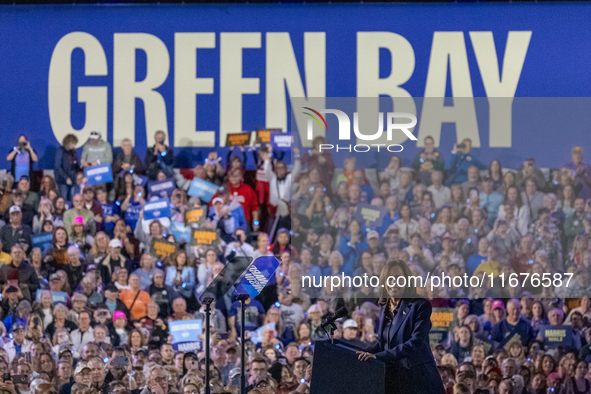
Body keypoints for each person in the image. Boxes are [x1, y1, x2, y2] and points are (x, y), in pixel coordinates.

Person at [55, 134, 80, 202]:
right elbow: (58, 166)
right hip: (62, 181)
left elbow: (76, 165)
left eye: (75, 144)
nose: (74, 146)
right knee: (64, 200)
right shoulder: (61, 150)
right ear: (68, 142)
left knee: (72, 199)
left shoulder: (73, 152)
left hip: (73, 180)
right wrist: (66, 178)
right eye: (73, 143)